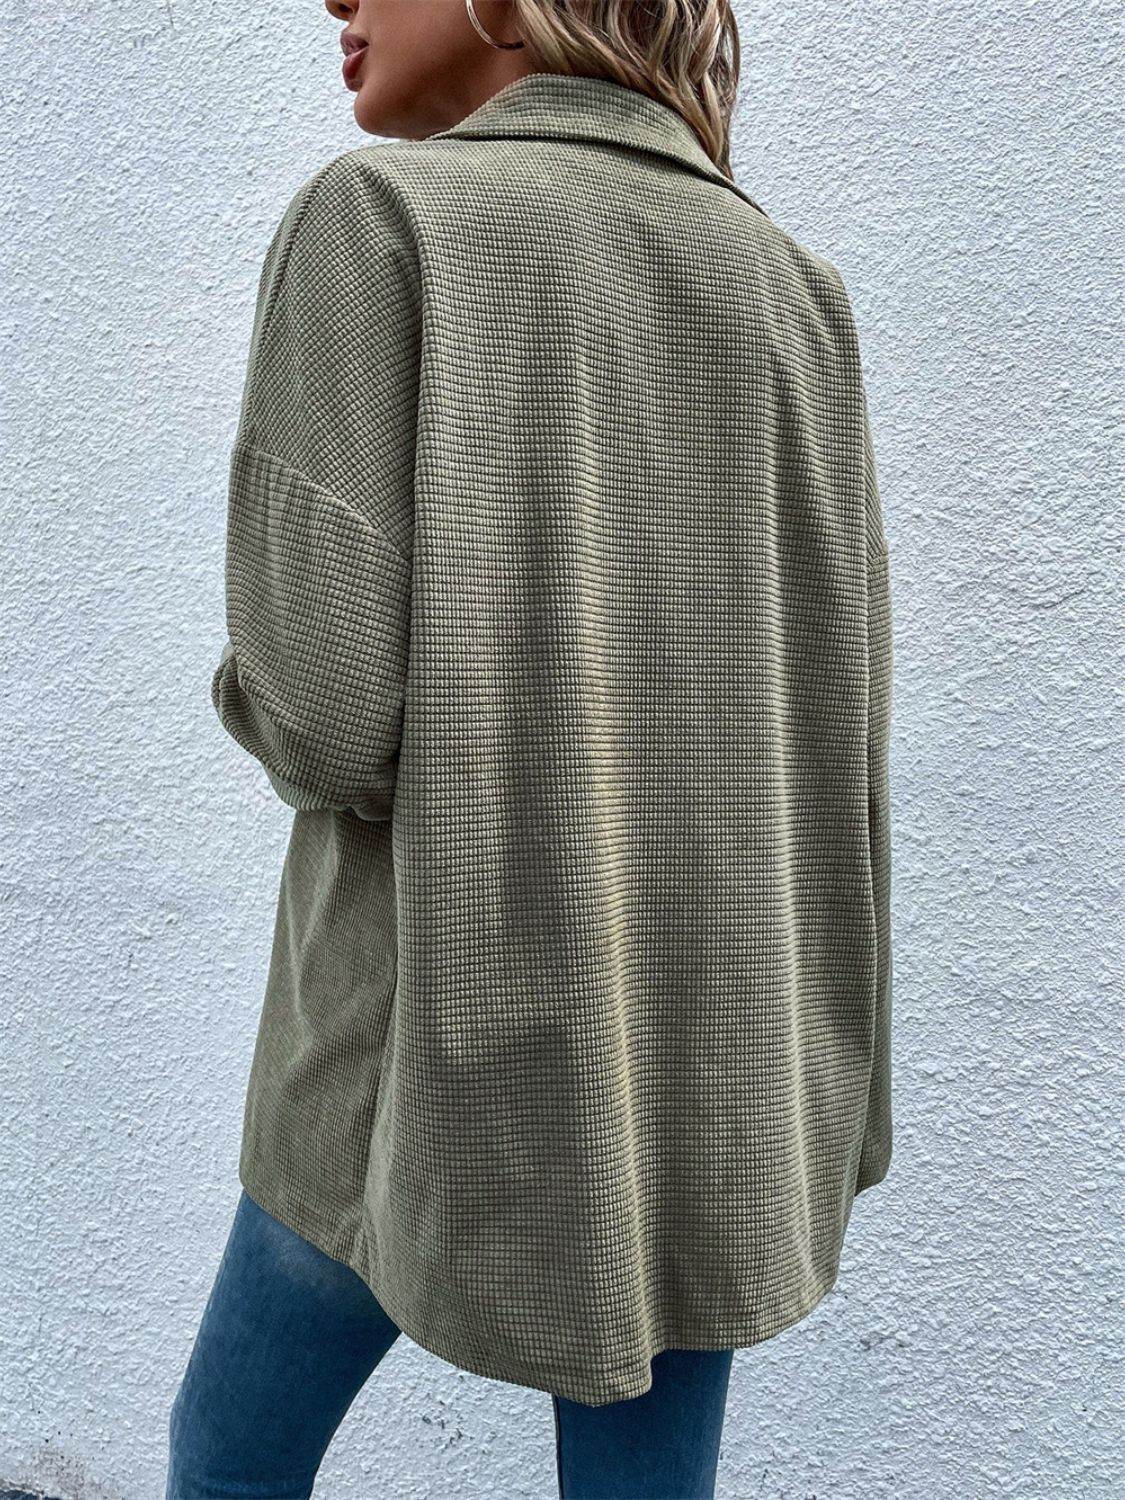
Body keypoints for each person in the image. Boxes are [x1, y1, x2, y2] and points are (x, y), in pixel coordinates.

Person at [166, 1, 895, 1496]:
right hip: (710, 1052)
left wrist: (258, 686)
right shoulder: (789, 288)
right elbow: (831, 719)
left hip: (419, 1024)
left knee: (234, 1461)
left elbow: (322, 716)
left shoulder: (382, 218)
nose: (337, 3)